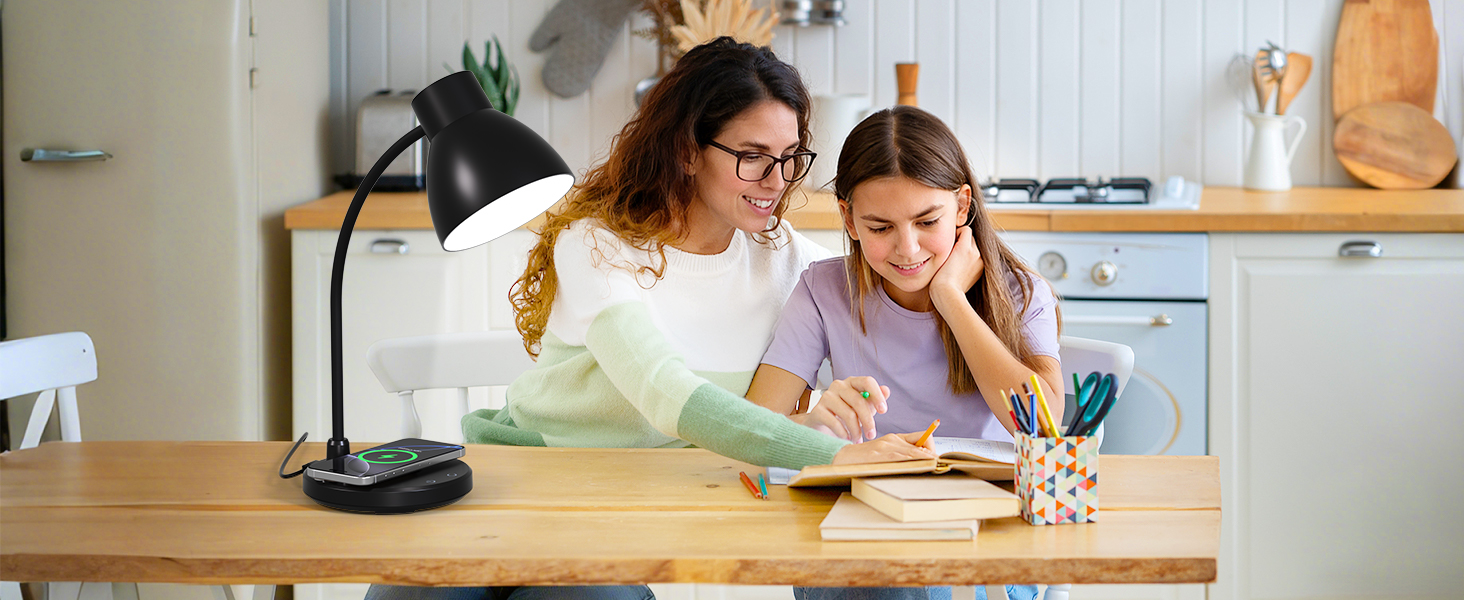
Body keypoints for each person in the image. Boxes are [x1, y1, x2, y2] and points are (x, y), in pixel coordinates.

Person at [365, 38, 935, 600]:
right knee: (410, 595)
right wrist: (834, 452)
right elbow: (665, 395)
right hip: (525, 483)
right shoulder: (598, 244)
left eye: (789, 158)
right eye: (753, 156)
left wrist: (953, 278)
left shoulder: (794, 265)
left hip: (636, 510)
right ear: (688, 151)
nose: (777, 180)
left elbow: (909, 295)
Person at [746, 105, 1065, 600]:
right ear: (849, 220)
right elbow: (752, 427)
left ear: (962, 208)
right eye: (880, 228)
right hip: (865, 530)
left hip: (987, 533)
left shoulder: (1020, 292)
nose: (908, 249)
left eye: (926, 221)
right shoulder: (824, 289)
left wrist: (952, 302)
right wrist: (814, 423)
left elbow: (1042, 425)